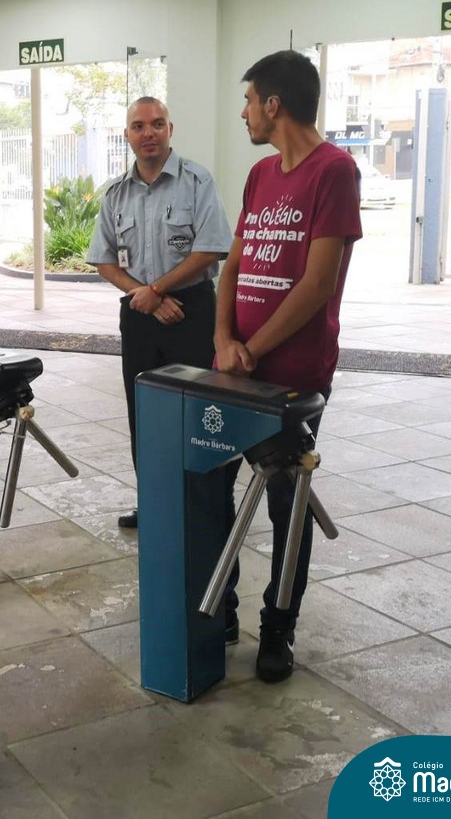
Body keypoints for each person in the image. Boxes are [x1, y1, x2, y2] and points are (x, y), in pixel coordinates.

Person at [213, 51, 362, 684]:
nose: (244, 112)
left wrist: (254, 350)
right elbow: (234, 266)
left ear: (273, 105)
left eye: (249, 100)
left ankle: (279, 625)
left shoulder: (336, 171)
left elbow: (318, 283)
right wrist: (224, 337)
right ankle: (221, 608)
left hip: (295, 375)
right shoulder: (260, 175)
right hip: (232, 370)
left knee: (286, 502)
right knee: (211, 486)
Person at [87, 97, 233, 533]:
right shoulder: (116, 193)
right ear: (127, 135)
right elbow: (104, 260)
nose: (147, 133)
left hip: (192, 311)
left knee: (196, 412)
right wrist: (145, 295)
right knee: (145, 413)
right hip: (139, 316)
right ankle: (152, 502)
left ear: (171, 129)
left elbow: (211, 248)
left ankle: (200, 506)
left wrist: (157, 290)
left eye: (156, 124)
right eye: (138, 126)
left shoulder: (196, 181)